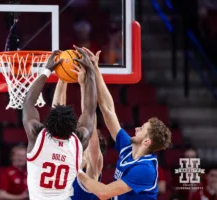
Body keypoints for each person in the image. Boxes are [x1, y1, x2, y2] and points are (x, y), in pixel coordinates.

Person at [76, 47, 172, 200]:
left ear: (146, 141)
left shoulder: (145, 169)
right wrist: (95, 70)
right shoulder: (128, 147)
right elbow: (108, 110)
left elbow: (104, 193)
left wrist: (76, 171)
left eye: (141, 129)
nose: (136, 128)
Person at [22, 48, 97, 200]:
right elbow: (89, 111)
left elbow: (28, 103)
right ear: (74, 127)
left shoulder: (37, 135)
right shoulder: (79, 140)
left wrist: (47, 71)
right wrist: (90, 74)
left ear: (47, 121)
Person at [50, 67, 106, 200]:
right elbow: (56, 117)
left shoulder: (92, 171)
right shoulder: (63, 160)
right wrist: (62, 78)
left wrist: (85, 84)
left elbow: (90, 120)